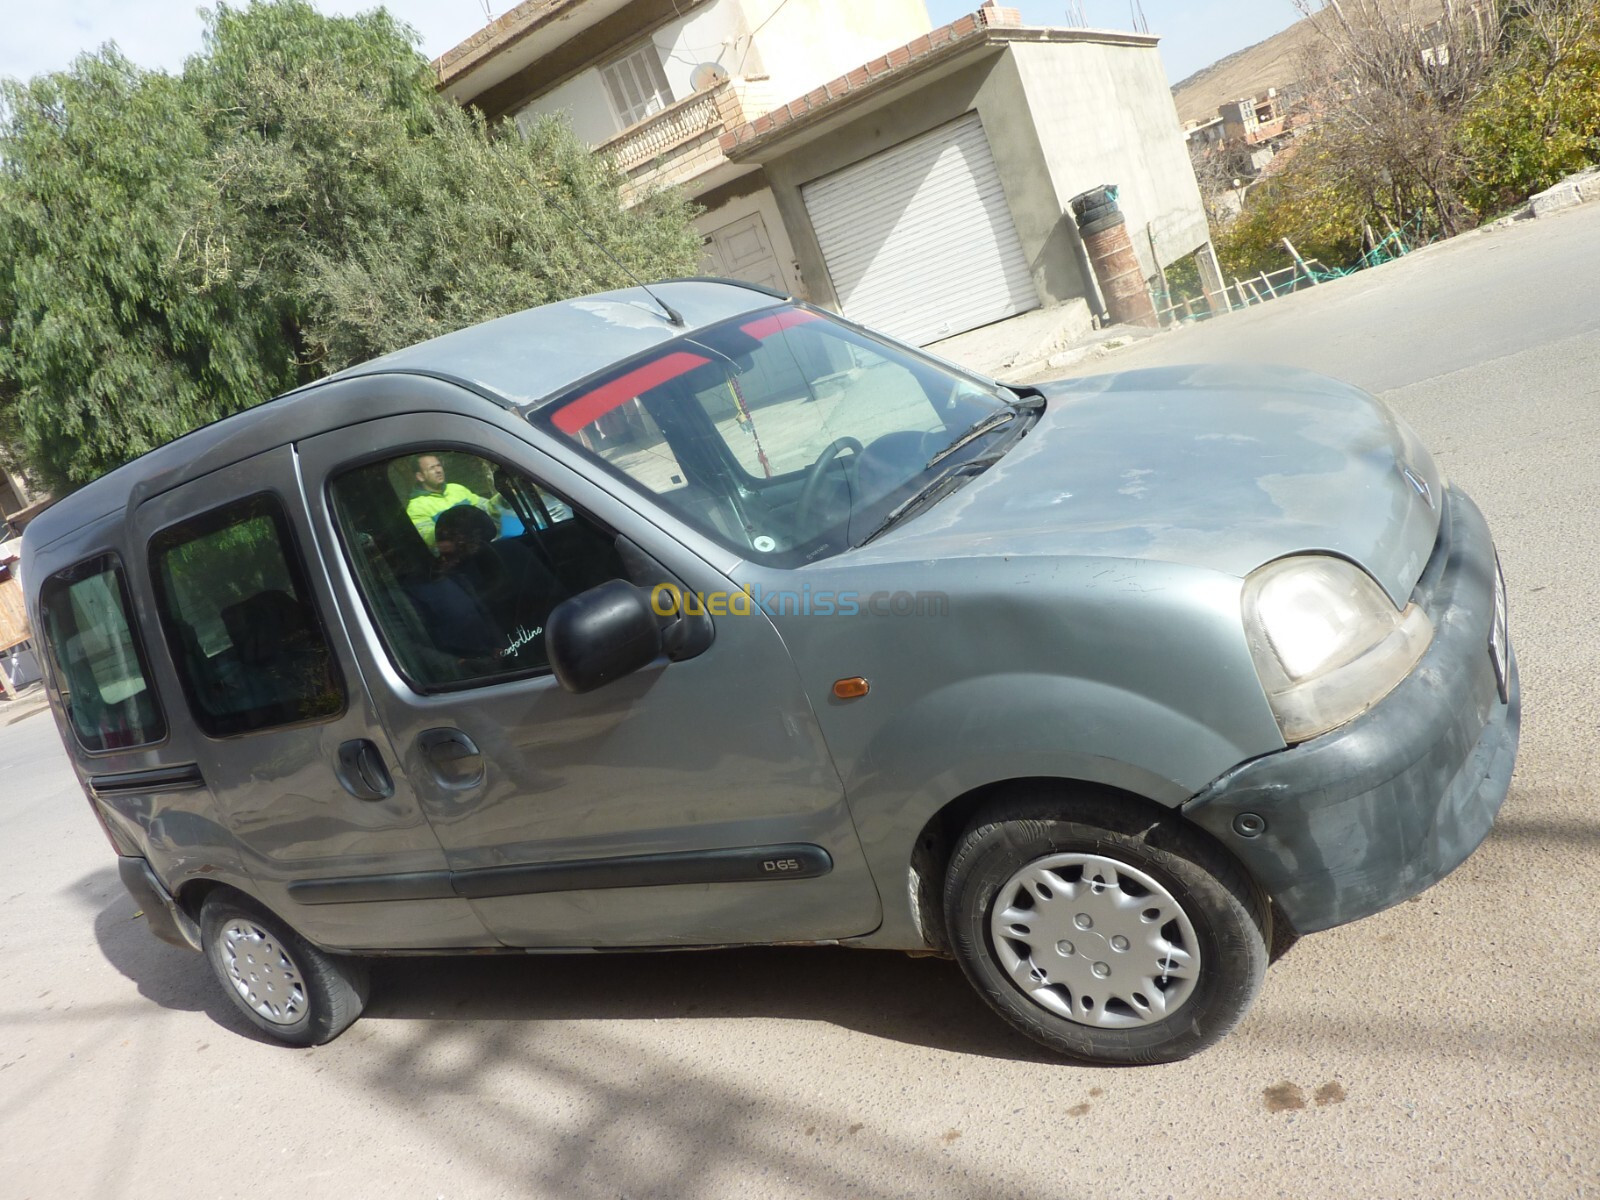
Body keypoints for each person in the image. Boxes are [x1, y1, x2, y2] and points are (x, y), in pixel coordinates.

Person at [406, 454, 497, 548]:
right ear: (420, 476)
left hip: (485, 544)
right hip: (457, 556)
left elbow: (487, 508)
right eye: (431, 468)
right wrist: (455, 528)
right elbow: (429, 537)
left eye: (439, 465)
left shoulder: (457, 488)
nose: (438, 471)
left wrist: (501, 499)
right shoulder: (416, 507)